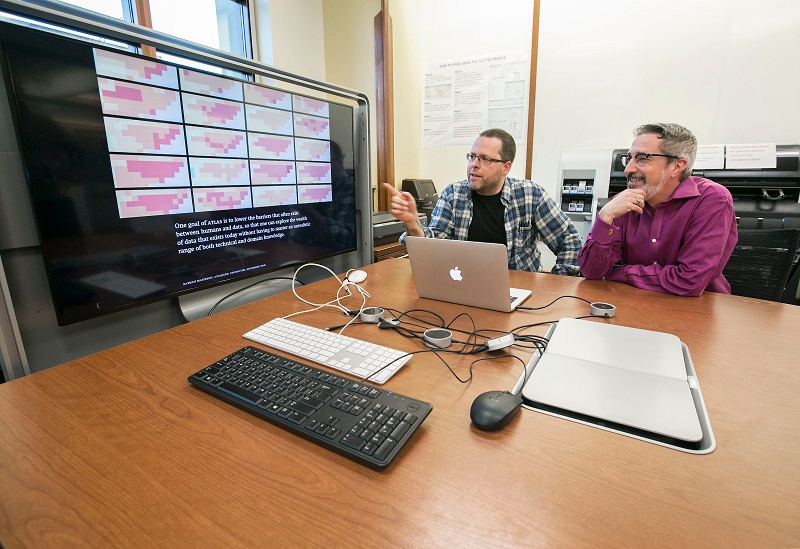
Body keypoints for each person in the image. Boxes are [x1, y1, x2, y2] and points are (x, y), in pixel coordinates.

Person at [383, 128, 581, 275]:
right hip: (462, 285)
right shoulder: (453, 195)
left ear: (506, 167)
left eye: (485, 159)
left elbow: (570, 240)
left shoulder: (531, 195)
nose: (474, 165)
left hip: (519, 290)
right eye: (472, 156)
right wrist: (412, 223)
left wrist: (558, 283)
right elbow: (433, 249)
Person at [578, 123, 738, 295]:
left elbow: (690, 280)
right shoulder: (623, 203)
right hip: (637, 303)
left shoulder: (712, 199)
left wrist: (624, 272)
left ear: (677, 166)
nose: (628, 169)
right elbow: (591, 272)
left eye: (642, 158)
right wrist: (605, 216)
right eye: (629, 158)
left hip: (696, 311)